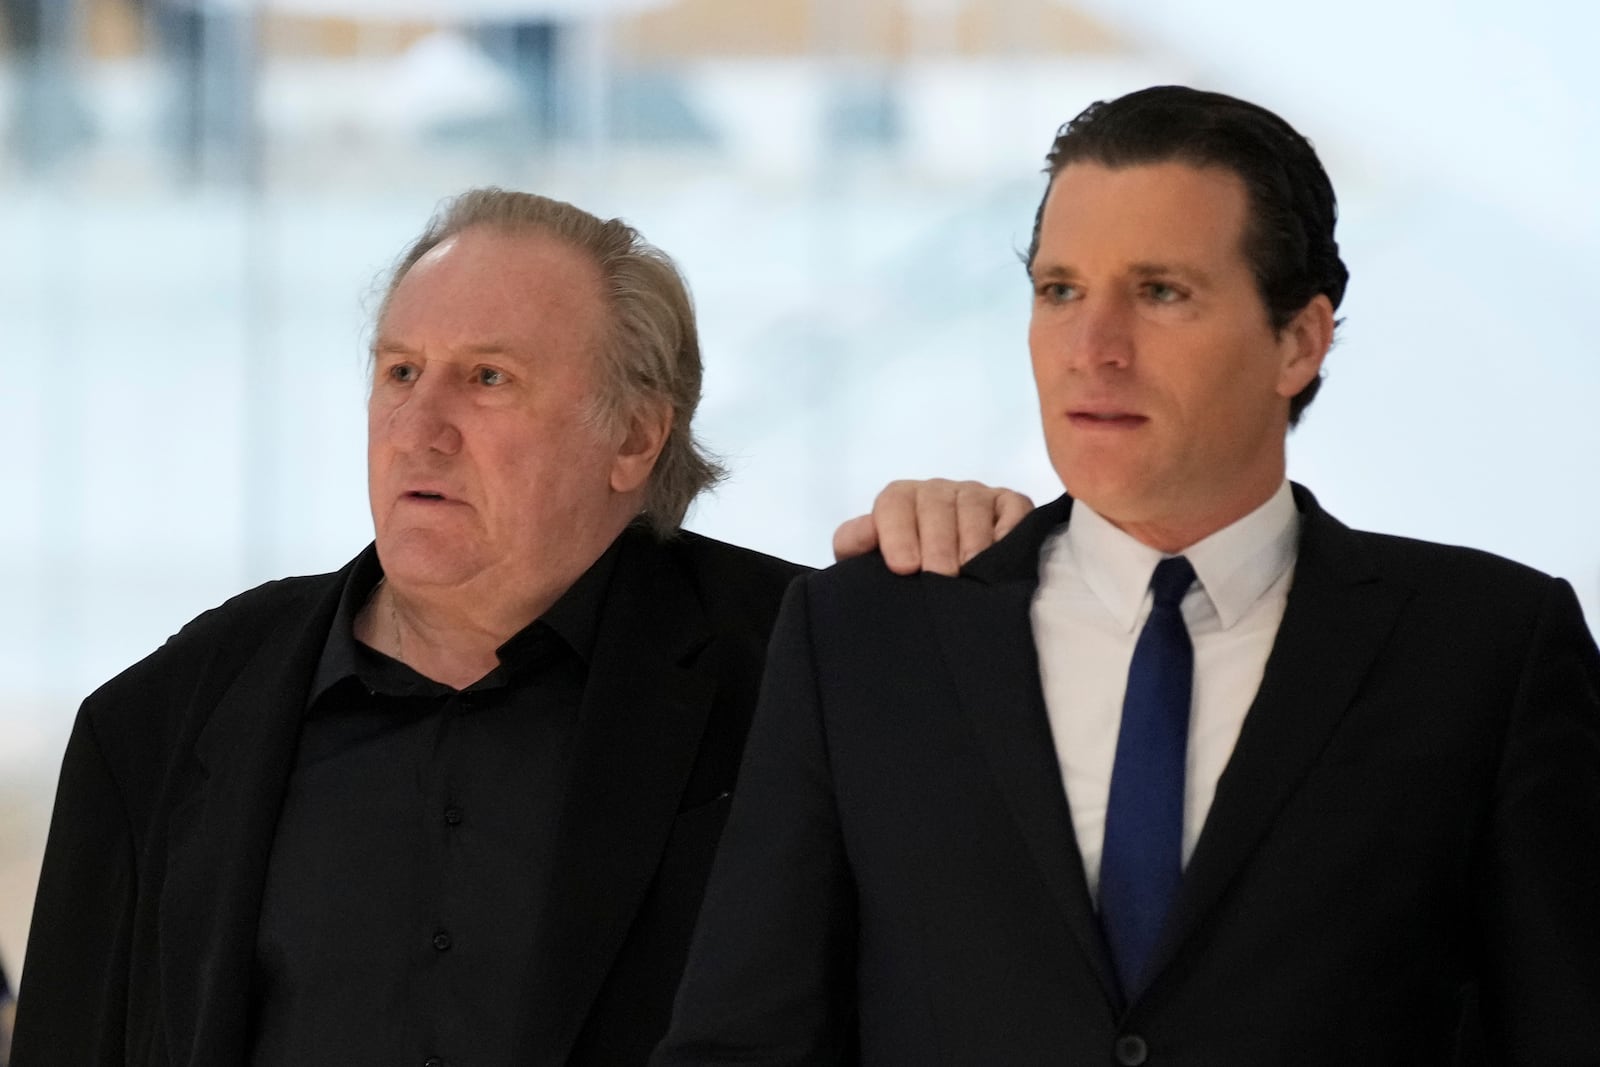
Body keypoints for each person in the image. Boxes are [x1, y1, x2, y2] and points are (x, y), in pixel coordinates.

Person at [654, 86, 1600, 1065]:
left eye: (1159, 292)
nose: (1091, 348)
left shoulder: (1488, 650)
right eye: (1059, 288)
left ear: (1299, 340)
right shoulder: (867, 636)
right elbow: (741, 1042)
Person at [9, 188, 1028, 1066]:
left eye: (487, 377)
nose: (421, 425)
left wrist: (1006, 589)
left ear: (633, 435)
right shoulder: (163, 716)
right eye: (400, 370)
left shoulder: (807, 678)